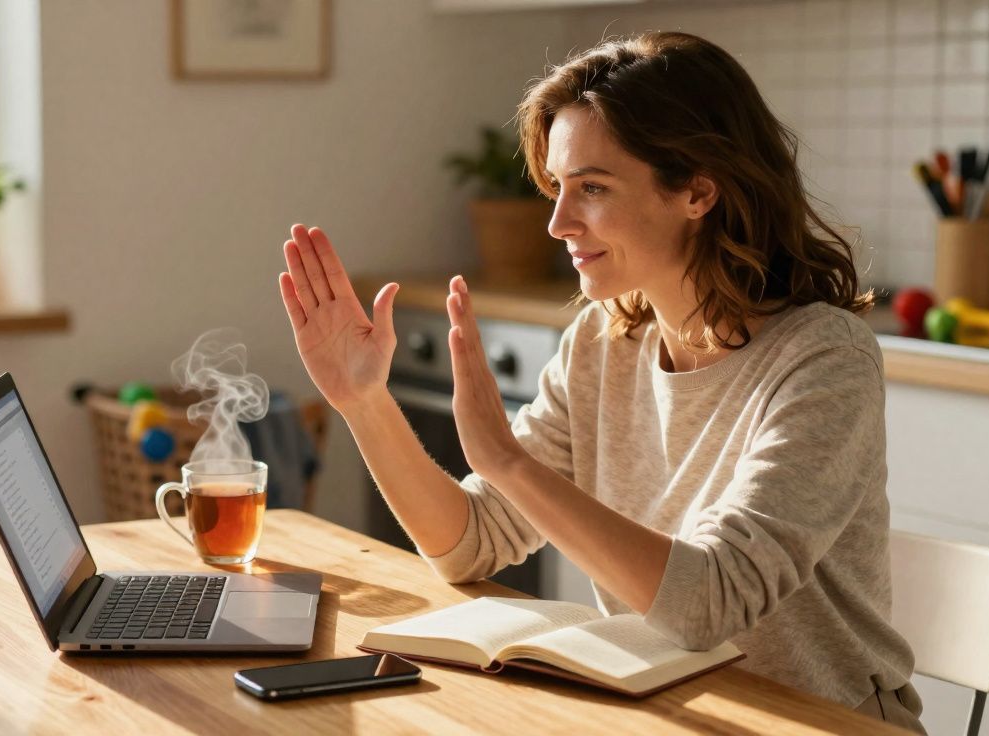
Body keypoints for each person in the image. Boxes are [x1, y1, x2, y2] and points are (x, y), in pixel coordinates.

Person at [277, 31, 924, 733]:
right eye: (558, 187)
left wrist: (509, 462)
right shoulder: (603, 340)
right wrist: (364, 402)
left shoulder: (824, 359)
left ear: (697, 191)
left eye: (592, 188)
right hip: (668, 713)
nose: (557, 222)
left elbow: (713, 603)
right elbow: (469, 545)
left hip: (822, 722)